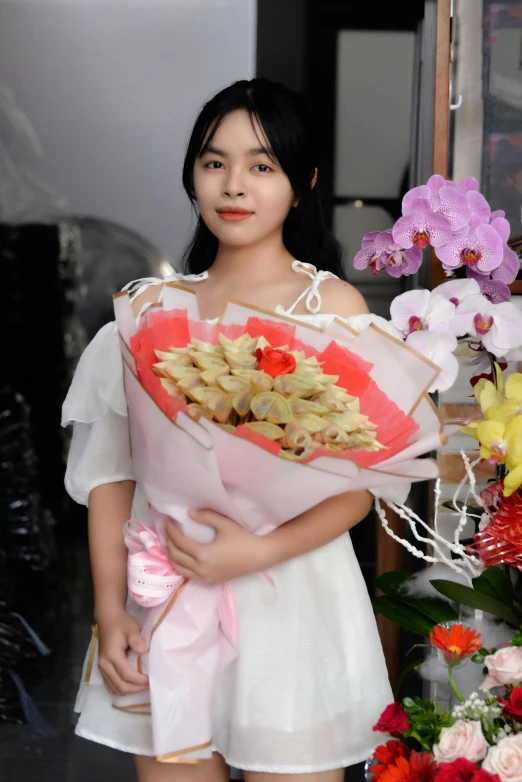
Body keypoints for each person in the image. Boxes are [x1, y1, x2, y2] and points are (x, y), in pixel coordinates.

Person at [62, 78, 394, 782]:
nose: (234, 184)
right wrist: (110, 608)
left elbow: (359, 490)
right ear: (193, 175)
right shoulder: (144, 310)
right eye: (214, 163)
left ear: (301, 186)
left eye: (261, 165)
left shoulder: (329, 307)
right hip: (172, 594)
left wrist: (253, 552)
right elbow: (112, 477)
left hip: (294, 595)